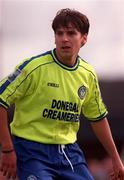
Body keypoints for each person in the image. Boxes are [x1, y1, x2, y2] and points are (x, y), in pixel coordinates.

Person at [0, 8, 124, 180]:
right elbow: (1, 100)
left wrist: (116, 158)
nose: (64, 38)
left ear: (84, 38)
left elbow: (98, 118)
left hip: (69, 153)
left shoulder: (87, 74)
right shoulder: (33, 68)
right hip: (31, 152)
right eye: (59, 33)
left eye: (71, 33)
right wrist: (7, 149)